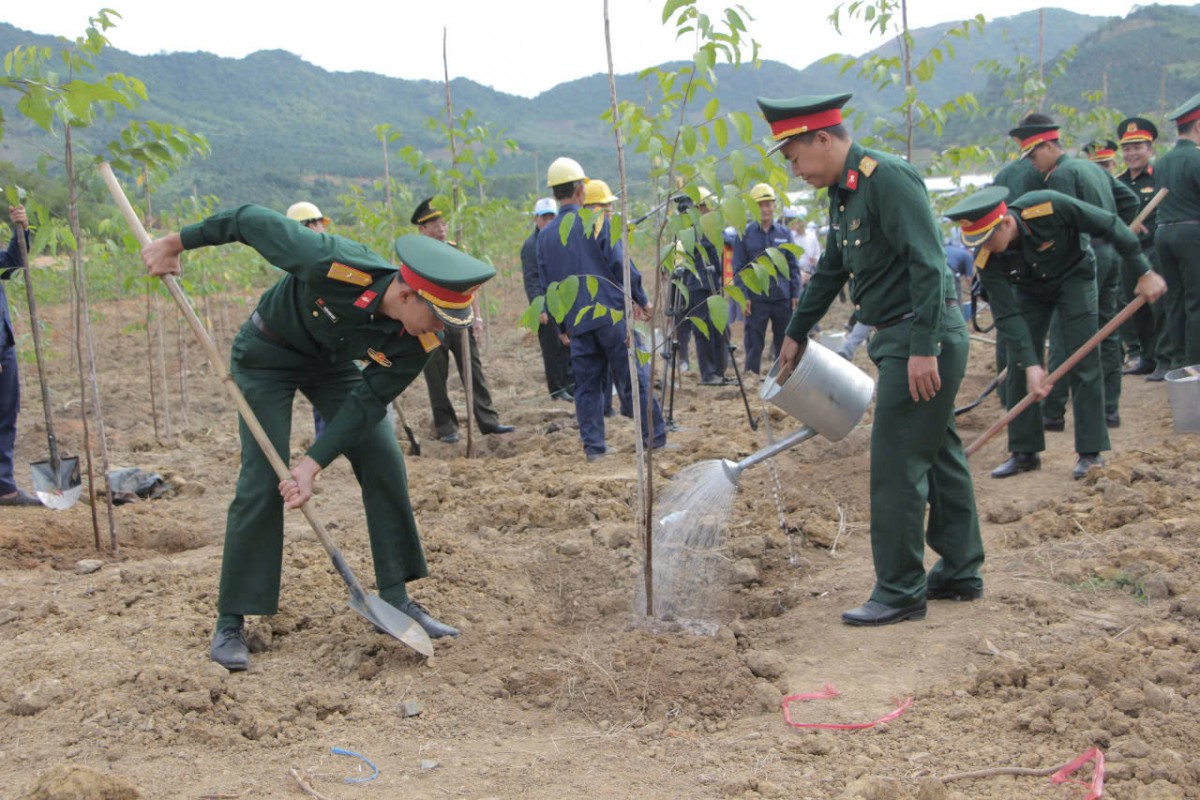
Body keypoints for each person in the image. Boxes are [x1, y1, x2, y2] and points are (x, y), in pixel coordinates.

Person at [139, 204, 494, 670]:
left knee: (384, 455)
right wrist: (175, 242)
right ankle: (232, 619)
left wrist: (311, 465)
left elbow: (367, 403)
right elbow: (249, 220)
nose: (443, 329)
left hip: (332, 367)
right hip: (267, 356)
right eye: (439, 316)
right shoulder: (332, 261)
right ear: (408, 296)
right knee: (263, 479)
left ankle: (394, 596)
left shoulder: (418, 341)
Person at [760, 92, 982, 626]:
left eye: (794, 158)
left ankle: (901, 589)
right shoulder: (844, 193)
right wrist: (795, 332)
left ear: (822, 138)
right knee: (940, 453)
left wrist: (924, 348)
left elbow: (930, 265)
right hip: (900, 338)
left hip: (919, 338)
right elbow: (833, 268)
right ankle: (960, 569)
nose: (795, 171)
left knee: (896, 465)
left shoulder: (887, 178)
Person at [945, 186, 1166, 481]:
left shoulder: (1048, 206)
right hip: (1030, 291)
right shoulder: (987, 258)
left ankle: (1090, 452)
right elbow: (1009, 317)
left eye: (987, 238)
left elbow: (1110, 224)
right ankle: (1024, 452)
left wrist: (1144, 272)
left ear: (1007, 223)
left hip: (1074, 277)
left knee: (1082, 356)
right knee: (1019, 363)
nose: (983, 247)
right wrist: (1033, 365)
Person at [536, 157, 666, 462]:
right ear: (581, 190)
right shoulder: (597, 222)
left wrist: (561, 327)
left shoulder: (544, 237)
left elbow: (548, 286)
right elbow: (620, 263)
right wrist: (641, 297)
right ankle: (654, 439)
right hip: (610, 317)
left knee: (587, 386)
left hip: (577, 324)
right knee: (634, 378)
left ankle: (594, 448)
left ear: (555, 193)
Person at [1016, 115, 1136, 431]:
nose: (1032, 163)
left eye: (1033, 155)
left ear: (1048, 145)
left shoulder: (1061, 176)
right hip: (1109, 251)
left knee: (1064, 335)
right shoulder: (1094, 168)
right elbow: (1129, 200)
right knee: (1106, 330)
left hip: (1083, 257)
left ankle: (1052, 411)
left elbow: (1063, 226)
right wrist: (1114, 231)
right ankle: (1110, 408)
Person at [411, 198, 513, 443]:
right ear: (421, 230)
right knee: (436, 375)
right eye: (434, 225)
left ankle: (488, 421)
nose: (441, 229)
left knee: (473, 370)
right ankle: (446, 427)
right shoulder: (415, 257)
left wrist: (476, 317)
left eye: (443, 224)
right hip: (430, 324)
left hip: (459, 321)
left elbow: (471, 288)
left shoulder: (456, 250)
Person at [1115, 117, 1169, 380]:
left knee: (1159, 306)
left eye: (1138, 147)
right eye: (1127, 148)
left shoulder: (1160, 177)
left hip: (1154, 250)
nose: (1131, 153)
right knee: (1134, 304)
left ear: (1150, 149)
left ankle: (1164, 358)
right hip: (1128, 252)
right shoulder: (1118, 182)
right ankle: (1146, 357)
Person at [1153, 93, 1200, 375]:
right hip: (1191, 234)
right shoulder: (1195, 159)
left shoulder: (1162, 162)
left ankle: (1178, 359)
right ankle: (1195, 363)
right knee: (1196, 299)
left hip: (1163, 234)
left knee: (1175, 300)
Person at [733, 183, 801, 375]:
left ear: (774, 206)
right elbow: (738, 269)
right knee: (754, 341)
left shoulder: (784, 233)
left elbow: (792, 265)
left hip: (782, 297)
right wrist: (743, 296)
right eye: (760, 205)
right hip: (756, 299)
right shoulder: (744, 234)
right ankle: (752, 375)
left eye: (768, 204)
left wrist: (795, 292)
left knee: (784, 340)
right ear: (754, 208)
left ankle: (782, 376)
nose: (765, 209)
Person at [1, 205, 40, 507]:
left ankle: (4, 487)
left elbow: (12, 263)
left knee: (6, 415)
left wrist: (21, 231)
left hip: (4, 343)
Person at [286, 201, 334, 438]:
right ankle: (326, 442)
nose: (321, 229)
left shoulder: (327, 255)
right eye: (316, 224)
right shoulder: (302, 264)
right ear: (307, 226)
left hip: (332, 334)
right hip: (317, 337)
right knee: (322, 388)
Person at [674, 188, 729, 385]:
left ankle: (720, 370)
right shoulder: (690, 232)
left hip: (713, 283)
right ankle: (709, 373)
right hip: (698, 285)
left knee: (719, 328)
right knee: (703, 330)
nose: (705, 211)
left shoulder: (711, 229)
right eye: (701, 206)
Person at [521, 197, 574, 401]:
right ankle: (557, 389)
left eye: (552, 216)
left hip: (562, 302)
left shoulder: (560, 239)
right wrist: (540, 308)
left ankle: (570, 385)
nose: (548, 221)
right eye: (544, 217)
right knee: (552, 348)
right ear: (536, 219)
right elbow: (531, 280)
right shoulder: (530, 246)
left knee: (567, 344)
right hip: (545, 303)